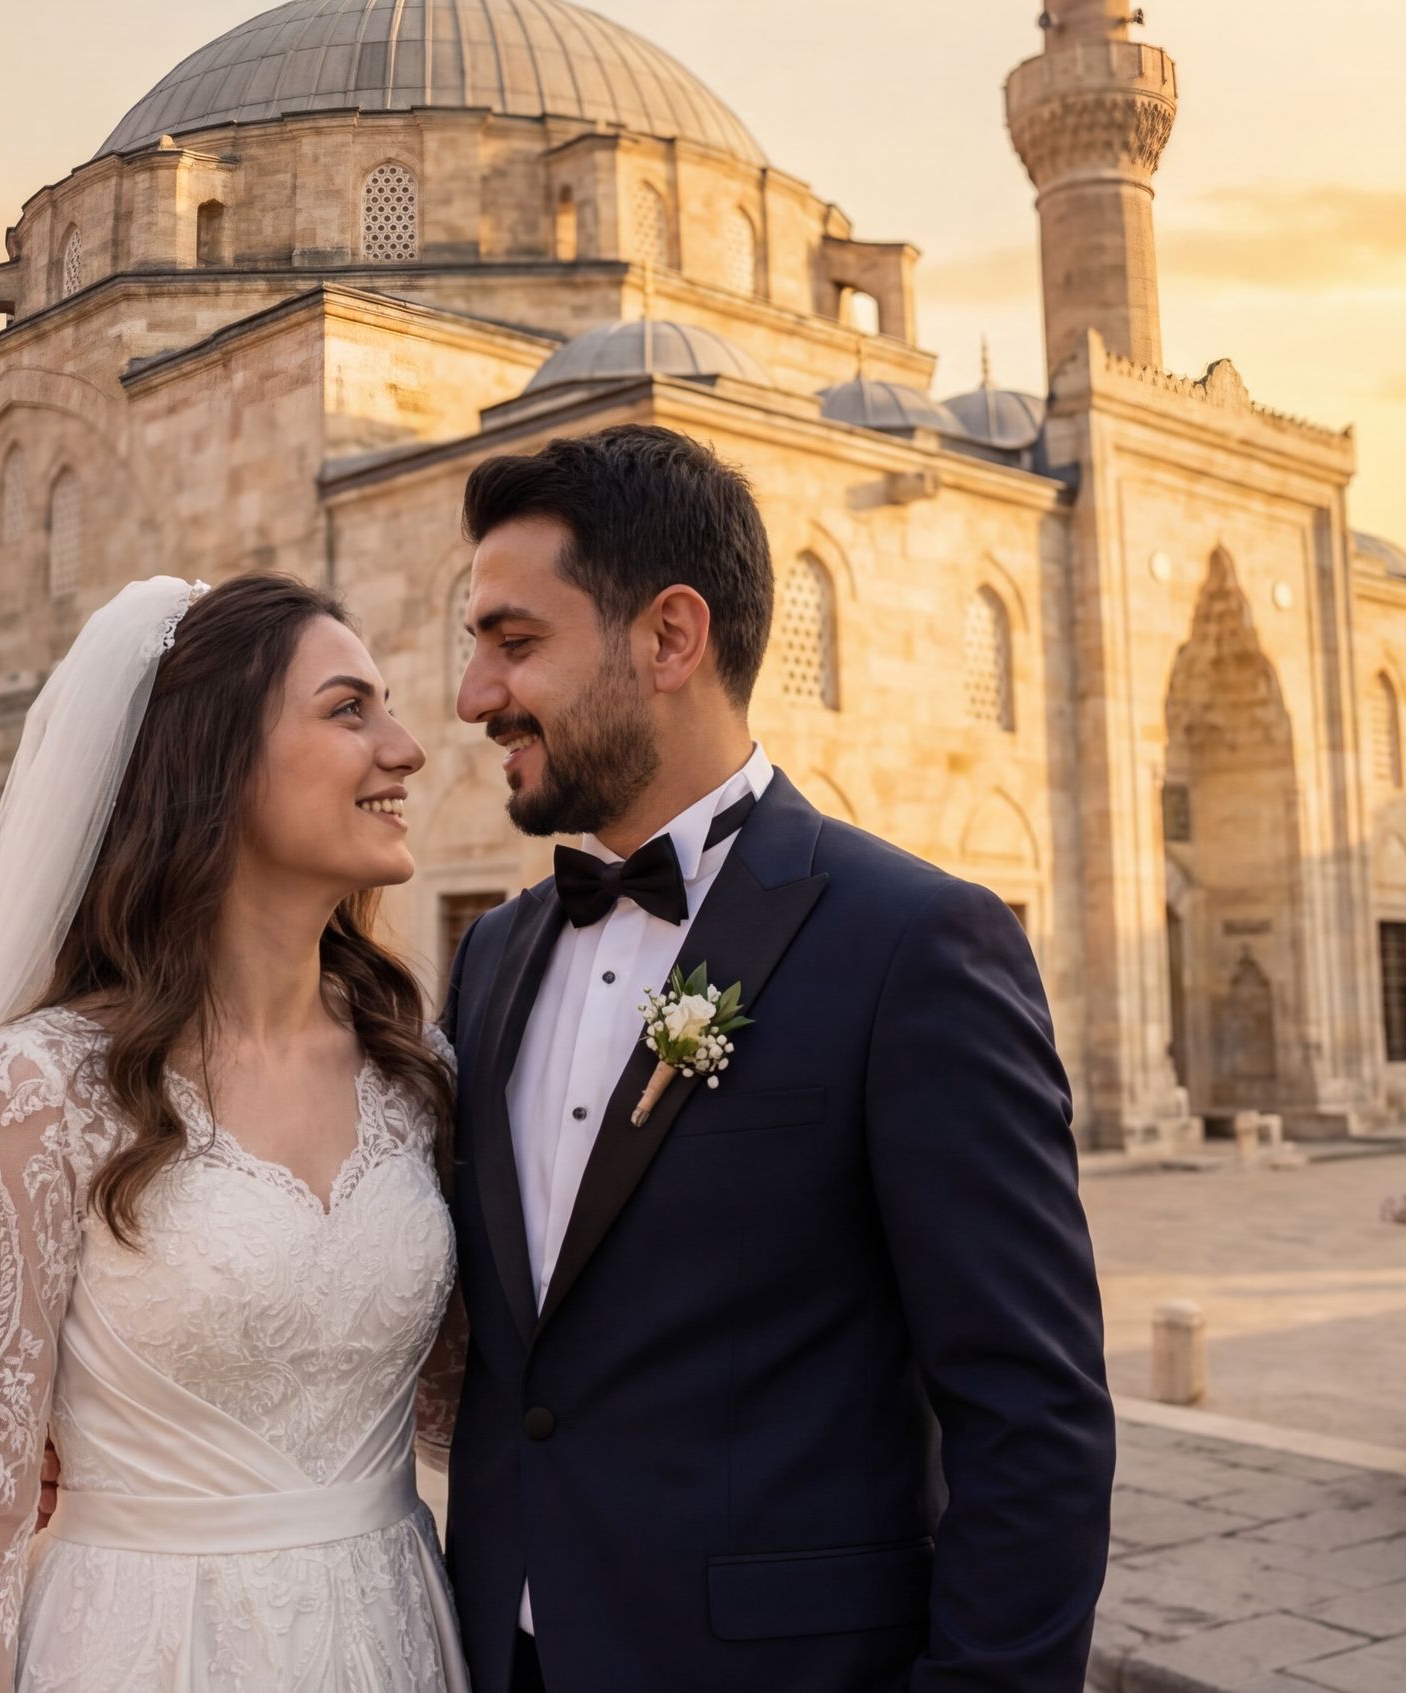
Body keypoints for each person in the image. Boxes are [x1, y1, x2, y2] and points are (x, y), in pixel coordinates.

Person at [441, 425, 1113, 1691]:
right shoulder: (493, 958)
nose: (472, 696)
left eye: (513, 643)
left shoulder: (914, 944)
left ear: (670, 638)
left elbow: (1033, 1416)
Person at [0, 572, 468, 1691]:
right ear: (213, 762)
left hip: (397, 1629)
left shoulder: (418, 1071)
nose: (405, 747)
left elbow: (473, 1409)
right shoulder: (44, 1087)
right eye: (349, 709)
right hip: (148, 1647)